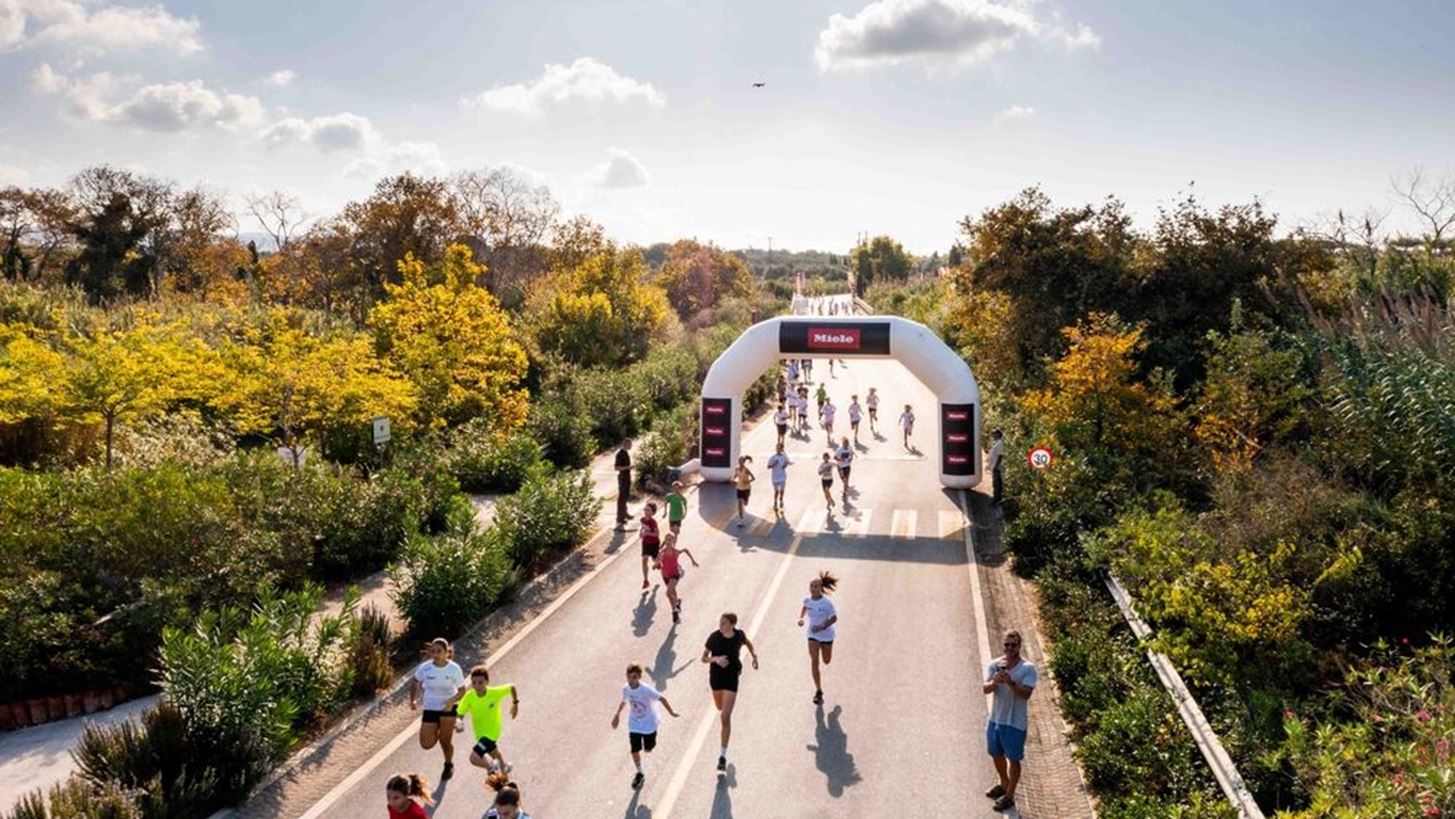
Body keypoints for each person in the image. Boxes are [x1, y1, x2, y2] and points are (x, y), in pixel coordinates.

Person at [982, 630, 1038, 812]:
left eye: (1013, 645)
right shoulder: (995, 665)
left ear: (1019, 646)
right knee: (995, 753)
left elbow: (1026, 694)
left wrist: (1011, 683)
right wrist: (995, 682)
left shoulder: (1028, 668)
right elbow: (985, 688)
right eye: (1007, 644)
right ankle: (1003, 783)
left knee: (1013, 759)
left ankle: (1010, 794)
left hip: (1015, 723)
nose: (1010, 648)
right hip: (996, 719)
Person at [702, 612, 759, 772]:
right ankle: (724, 709)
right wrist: (716, 659)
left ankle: (722, 756)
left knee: (725, 717)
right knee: (719, 707)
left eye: (724, 623)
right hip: (716, 678)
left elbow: (747, 643)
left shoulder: (739, 635)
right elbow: (703, 658)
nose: (721, 626)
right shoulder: (714, 637)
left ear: (732, 624)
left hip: (732, 677)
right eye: (720, 622)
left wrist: (754, 655)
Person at [611, 662, 681, 790]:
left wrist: (671, 712)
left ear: (639, 677)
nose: (631, 680)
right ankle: (639, 773)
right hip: (634, 724)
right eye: (629, 676)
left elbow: (662, 699)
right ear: (626, 676)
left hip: (649, 724)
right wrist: (617, 715)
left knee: (648, 749)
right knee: (634, 749)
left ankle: (649, 746)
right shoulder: (625, 688)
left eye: (634, 677)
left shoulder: (645, 689)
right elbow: (624, 701)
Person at [446, 664, 519, 776]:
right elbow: (460, 713)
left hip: (492, 732)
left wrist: (515, 704)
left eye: (480, 682)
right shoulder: (469, 697)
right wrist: (459, 722)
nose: (477, 686)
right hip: (480, 733)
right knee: (493, 751)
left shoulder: (494, 693)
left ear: (487, 681)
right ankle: (504, 767)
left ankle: (492, 768)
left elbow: (512, 687)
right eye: (474, 683)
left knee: (474, 757)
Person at [409, 638, 466, 780]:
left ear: (447, 653)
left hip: (448, 707)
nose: (435, 654)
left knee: (445, 741)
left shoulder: (454, 669)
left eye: (439, 651)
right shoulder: (425, 668)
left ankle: (448, 765)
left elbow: (462, 690)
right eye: (433, 651)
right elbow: (415, 681)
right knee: (426, 744)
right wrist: (413, 699)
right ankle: (444, 725)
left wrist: (451, 701)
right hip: (430, 707)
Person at [797, 571, 839, 705]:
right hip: (812, 635)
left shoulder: (827, 603)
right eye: (811, 586)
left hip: (826, 635)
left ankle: (825, 650)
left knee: (826, 661)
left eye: (815, 586)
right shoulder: (807, 600)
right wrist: (801, 618)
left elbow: (834, 618)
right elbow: (803, 609)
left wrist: (822, 626)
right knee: (814, 661)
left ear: (821, 588)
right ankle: (818, 691)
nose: (812, 588)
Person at [658, 533, 699, 624]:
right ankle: (677, 602)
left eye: (670, 539)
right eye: (667, 539)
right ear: (665, 541)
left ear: (673, 541)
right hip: (665, 575)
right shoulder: (662, 552)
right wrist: (656, 563)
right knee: (672, 591)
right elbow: (657, 562)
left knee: (668, 593)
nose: (668, 541)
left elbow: (685, 550)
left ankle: (674, 611)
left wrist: (693, 560)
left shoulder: (675, 551)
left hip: (674, 574)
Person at [639, 502, 661, 590]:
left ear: (652, 512)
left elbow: (657, 534)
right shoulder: (642, 520)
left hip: (654, 543)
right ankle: (646, 580)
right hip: (645, 543)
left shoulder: (653, 522)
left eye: (648, 510)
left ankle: (658, 563)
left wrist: (647, 533)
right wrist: (641, 533)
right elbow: (643, 528)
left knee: (655, 560)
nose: (646, 512)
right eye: (645, 509)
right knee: (644, 560)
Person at [766, 442, 790, 514]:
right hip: (775, 477)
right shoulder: (773, 457)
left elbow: (787, 462)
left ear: (782, 449)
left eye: (780, 448)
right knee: (776, 491)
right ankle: (775, 502)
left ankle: (781, 499)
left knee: (782, 490)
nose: (778, 449)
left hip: (782, 476)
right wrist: (773, 464)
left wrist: (785, 465)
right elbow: (768, 466)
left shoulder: (784, 456)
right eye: (777, 448)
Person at [615, 438, 633, 529]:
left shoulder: (626, 453)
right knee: (622, 498)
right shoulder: (620, 454)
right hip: (623, 478)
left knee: (625, 497)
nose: (631, 446)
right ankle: (620, 518)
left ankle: (624, 513)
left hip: (627, 477)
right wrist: (628, 467)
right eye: (630, 444)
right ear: (625, 444)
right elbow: (617, 468)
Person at [733, 455, 755, 526]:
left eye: (741, 461)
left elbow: (753, 478)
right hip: (739, 488)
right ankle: (741, 519)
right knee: (739, 503)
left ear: (744, 462)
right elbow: (735, 476)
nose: (740, 462)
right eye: (739, 461)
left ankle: (746, 500)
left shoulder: (746, 470)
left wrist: (747, 482)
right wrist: (733, 480)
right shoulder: (737, 469)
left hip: (746, 488)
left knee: (745, 503)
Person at [834, 437, 854, 501]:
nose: (846, 444)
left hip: (847, 466)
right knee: (844, 480)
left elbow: (851, 454)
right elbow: (834, 457)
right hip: (840, 466)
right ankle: (845, 486)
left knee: (846, 479)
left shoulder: (849, 448)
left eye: (847, 443)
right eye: (845, 443)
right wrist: (840, 459)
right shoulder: (839, 450)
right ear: (843, 443)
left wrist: (851, 458)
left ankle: (844, 493)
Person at [989, 428, 1005, 505]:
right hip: (994, 466)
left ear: (998, 434)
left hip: (997, 468)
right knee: (995, 483)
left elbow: (1000, 456)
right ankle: (996, 498)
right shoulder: (995, 443)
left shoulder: (999, 444)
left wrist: (996, 466)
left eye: (994, 434)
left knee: (997, 483)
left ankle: (997, 499)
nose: (993, 435)